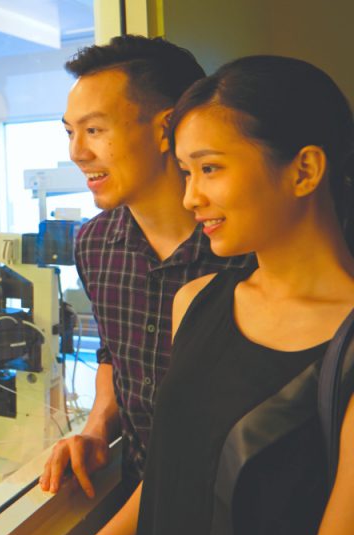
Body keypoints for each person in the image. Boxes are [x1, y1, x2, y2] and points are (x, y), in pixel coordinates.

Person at [2, 55, 354, 535]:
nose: (191, 196)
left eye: (209, 168)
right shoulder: (197, 300)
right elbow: (173, 470)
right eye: (187, 172)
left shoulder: (343, 342)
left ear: (303, 170)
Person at [43, 36, 252, 499]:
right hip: (144, 508)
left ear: (166, 129)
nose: (77, 152)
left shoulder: (247, 246)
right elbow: (113, 353)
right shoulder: (95, 244)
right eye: (70, 132)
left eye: (94, 129)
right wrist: (97, 427)